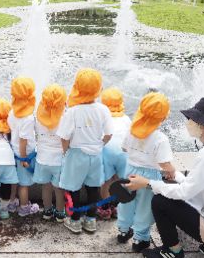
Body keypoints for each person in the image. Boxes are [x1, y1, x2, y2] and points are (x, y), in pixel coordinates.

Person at [127, 97, 204, 258]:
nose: (188, 122)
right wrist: (174, 174)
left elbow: (184, 192)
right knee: (171, 191)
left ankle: (173, 251)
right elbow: (195, 186)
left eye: (191, 119)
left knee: (160, 201)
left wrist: (147, 182)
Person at [116, 92, 175, 253]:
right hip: (148, 177)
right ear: (163, 118)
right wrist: (172, 171)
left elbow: (123, 148)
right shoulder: (160, 138)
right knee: (145, 207)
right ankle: (140, 239)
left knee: (126, 202)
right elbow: (164, 163)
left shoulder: (131, 130)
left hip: (130, 171)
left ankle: (123, 230)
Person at [57, 68, 113, 234]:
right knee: (93, 188)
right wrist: (100, 144)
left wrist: (65, 152)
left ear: (77, 88)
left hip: (76, 154)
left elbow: (64, 137)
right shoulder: (103, 110)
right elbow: (109, 134)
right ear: (98, 89)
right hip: (95, 155)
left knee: (73, 188)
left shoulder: (72, 112)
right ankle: (91, 220)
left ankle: (74, 221)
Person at [32, 84, 67, 222]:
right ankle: (60, 213)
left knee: (45, 187)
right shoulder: (65, 118)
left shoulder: (37, 116)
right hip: (58, 160)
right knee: (59, 189)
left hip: (42, 159)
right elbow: (66, 140)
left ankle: (47, 211)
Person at [97, 87, 131, 220]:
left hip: (107, 151)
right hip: (123, 153)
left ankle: (105, 209)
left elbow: (99, 137)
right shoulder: (126, 119)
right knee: (118, 180)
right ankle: (117, 207)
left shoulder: (102, 118)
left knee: (106, 181)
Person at [7, 77, 39, 216]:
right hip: (23, 154)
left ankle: (12, 203)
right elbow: (23, 141)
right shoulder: (28, 118)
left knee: (14, 180)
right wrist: (24, 159)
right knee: (24, 184)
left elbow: (10, 131)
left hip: (12, 151)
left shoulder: (12, 112)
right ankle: (24, 207)